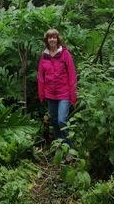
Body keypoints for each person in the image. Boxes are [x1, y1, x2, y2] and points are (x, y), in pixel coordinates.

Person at [38, 29, 77, 161]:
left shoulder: (65, 54)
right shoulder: (44, 56)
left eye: (54, 37)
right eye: (50, 38)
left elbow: (72, 74)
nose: (52, 40)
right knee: (54, 120)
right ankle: (59, 144)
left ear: (58, 39)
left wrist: (73, 93)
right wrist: (41, 93)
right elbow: (41, 76)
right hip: (50, 93)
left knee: (62, 120)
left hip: (64, 93)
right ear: (47, 40)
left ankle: (69, 149)